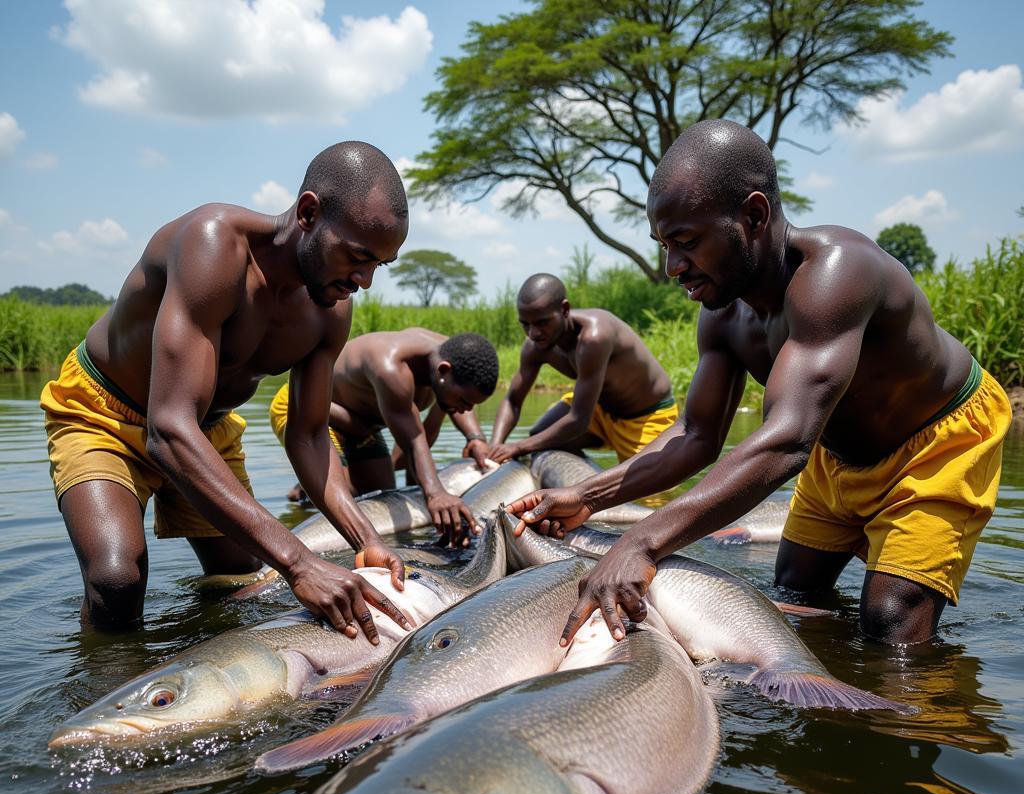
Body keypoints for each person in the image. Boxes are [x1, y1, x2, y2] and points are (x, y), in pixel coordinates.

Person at [508, 119, 1011, 647]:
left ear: (753, 215)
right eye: (663, 245)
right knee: (794, 593)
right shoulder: (723, 316)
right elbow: (696, 436)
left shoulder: (838, 274)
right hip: (835, 454)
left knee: (890, 627)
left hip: (935, 444)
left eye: (686, 242)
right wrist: (586, 497)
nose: (673, 267)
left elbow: (789, 440)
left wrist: (642, 542)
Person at [40, 141, 415, 643]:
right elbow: (168, 428)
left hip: (206, 432)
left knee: (240, 583)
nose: (365, 280)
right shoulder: (214, 245)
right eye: (357, 256)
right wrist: (301, 564)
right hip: (106, 413)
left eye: (380, 266)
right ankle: (104, 696)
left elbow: (307, 436)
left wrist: (366, 539)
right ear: (308, 212)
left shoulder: (330, 310)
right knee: (116, 581)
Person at [268, 328, 499, 544]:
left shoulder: (452, 356)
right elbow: (413, 442)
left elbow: (421, 438)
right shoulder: (391, 366)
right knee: (340, 500)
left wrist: (475, 437)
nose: (465, 410)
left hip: (360, 426)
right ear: (444, 372)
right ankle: (308, 488)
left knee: (383, 501)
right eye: (463, 402)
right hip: (306, 408)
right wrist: (436, 494)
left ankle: (317, 481)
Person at [486, 274, 677, 464]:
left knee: (649, 493)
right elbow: (512, 401)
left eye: (542, 323)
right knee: (540, 436)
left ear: (565, 309)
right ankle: (582, 480)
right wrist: (494, 450)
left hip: (646, 418)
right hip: (598, 408)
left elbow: (578, 420)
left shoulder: (593, 338)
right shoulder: (534, 346)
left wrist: (518, 447)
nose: (533, 333)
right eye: (525, 324)